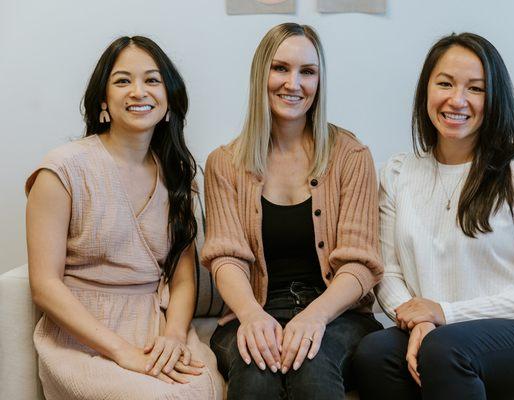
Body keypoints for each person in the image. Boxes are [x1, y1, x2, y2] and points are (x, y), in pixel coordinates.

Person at [353, 32, 514, 400]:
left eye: (476, 89)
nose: (457, 100)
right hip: (438, 333)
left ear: (494, 98)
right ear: (426, 91)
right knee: (372, 355)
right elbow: (388, 271)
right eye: (445, 84)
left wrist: (445, 313)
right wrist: (419, 318)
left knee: (444, 349)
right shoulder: (397, 174)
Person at [26, 36, 223, 400]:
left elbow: (182, 280)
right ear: (103, 99)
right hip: (82, 336)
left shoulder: (178, 175)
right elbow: (44, 285)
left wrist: (175, 336)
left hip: (155, 325)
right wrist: (120, 351)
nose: (138, 91)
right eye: (122, 81)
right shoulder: (62, 170)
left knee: (205, 390)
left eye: (151, 80)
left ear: (168, 98)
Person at [201, 23, 384, 400]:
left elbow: (359, 263)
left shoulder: (351, 157)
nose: (293, 83)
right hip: (257, 309)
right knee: (255, 374)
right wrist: (251, 315)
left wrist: (314, 316)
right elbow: (226, 258)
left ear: (320, 81)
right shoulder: (224, 163)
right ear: (260, 74)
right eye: (280, 68)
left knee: (311, 366)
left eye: (308, 72)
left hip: (337, 315)